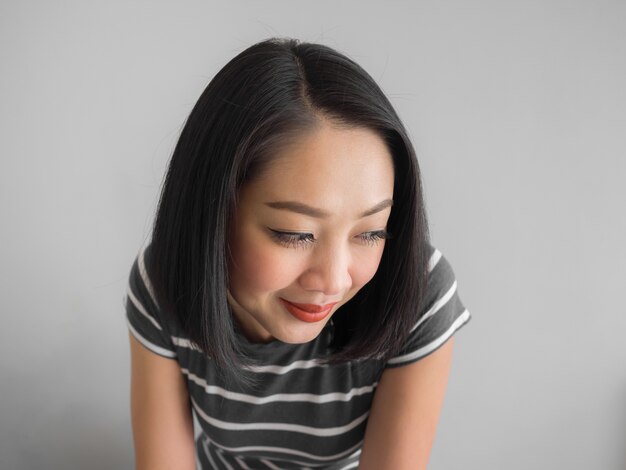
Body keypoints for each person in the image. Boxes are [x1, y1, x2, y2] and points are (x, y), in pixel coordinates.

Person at [125, 37, 471, 470]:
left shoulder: (419, 288)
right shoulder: (164, 280)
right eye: (296, 234)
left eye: (370, 232)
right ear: (213, 212)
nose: (334, 280)